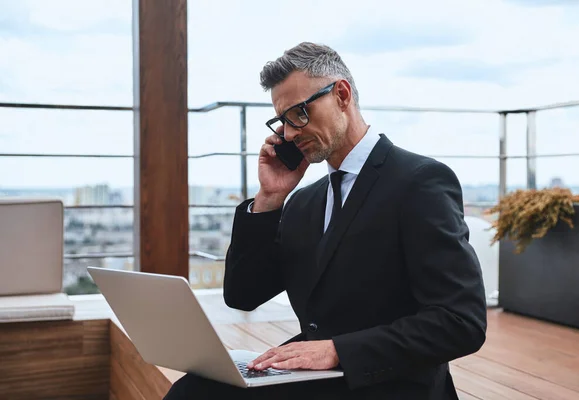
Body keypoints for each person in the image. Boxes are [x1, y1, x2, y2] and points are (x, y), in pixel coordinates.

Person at [164, 42, 487, 400]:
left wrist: (336, 350)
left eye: (299, 113)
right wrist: (269, 199)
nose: (288, 133)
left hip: (387, 382)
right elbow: (244, 295)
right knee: (192, 392)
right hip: (315, 377)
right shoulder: (304, 201)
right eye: (282, 120)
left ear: (342, 95)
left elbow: (461, 322)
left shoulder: (419, 182)